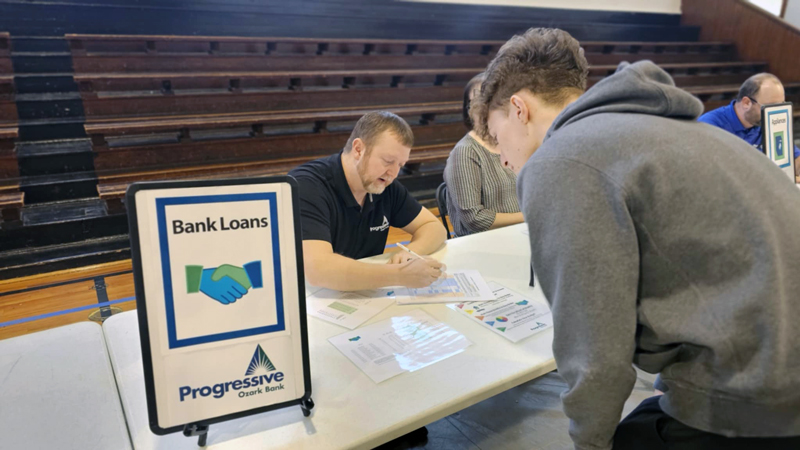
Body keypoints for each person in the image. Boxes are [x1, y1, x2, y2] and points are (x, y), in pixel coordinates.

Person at [472, 28, 800, 450]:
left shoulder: (563, 159)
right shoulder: (667, 129)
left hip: (761, 398)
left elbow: (594, 351)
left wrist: (590, 443)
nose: (502, 158)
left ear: (519, 109)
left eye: (497, 137)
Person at [289, 111, 447, 291]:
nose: (394, 173)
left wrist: (410, 253)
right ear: (358, 149)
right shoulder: (307, 185)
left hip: (363, 293)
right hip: (311, 296)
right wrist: (400, 275)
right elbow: (319, 270)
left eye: (400, 165)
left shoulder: (384, 184)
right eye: (388, 161)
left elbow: (433, 227)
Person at [443, 73, 522, 236]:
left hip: (521, 234)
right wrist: (527, 216)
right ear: (468, 110)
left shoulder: (516, 143)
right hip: (484, 242)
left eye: (489, 102)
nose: (482, 108)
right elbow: (474, 219)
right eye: (476, 103)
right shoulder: (465, 152)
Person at [698, 73, 800, 175]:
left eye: (780, 105)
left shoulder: (770, 121)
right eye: (770, 106)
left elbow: (794, 160)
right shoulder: (710, 126)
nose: (775, 113)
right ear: (746, 103)